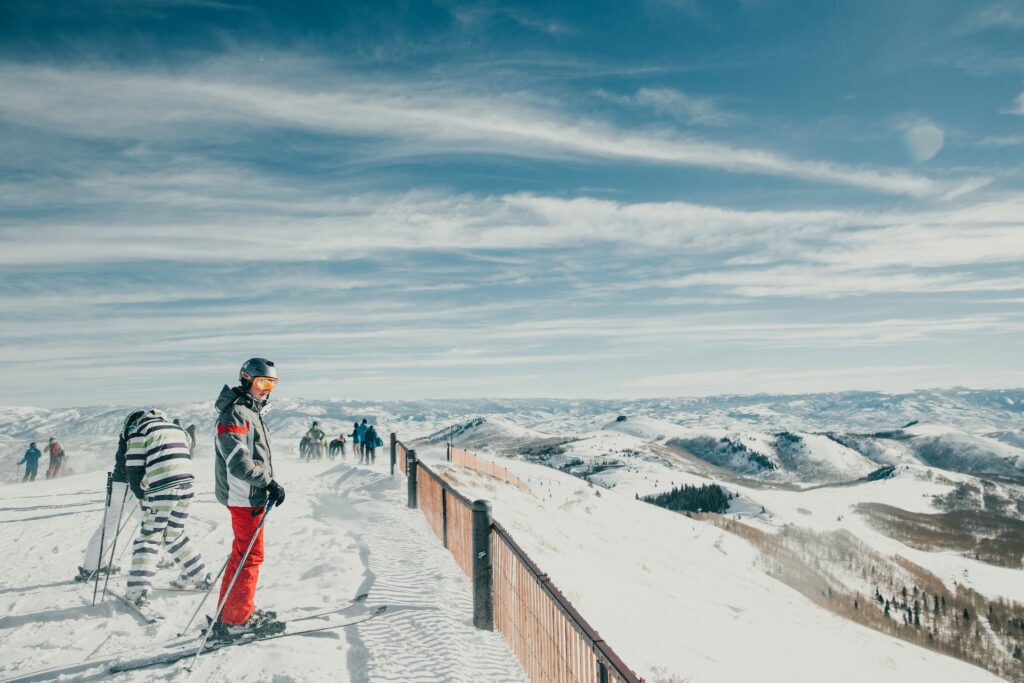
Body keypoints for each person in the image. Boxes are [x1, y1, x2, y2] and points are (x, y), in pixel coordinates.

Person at [211, 358, 286, 640]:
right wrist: (269, 483)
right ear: (246, 380)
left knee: (242, 555)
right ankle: (235, 621)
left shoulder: (249, 411)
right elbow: (238, 462)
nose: (267, 390)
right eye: (262, 383)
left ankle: (231, 612)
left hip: (249, 494)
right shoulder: (236, 414)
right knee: (250, 557)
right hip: (244, 496)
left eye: (272, 384)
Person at [125, 409, 210, 606]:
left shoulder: (140, 430)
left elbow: (134, 468)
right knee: (174, 534)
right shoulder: (176, 429)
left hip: (161, 488)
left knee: (150, 536)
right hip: (187, 487)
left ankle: (138, 590)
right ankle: (198, 574)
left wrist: (140, 495)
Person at [76, 415, 139, 581]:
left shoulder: (125, 435)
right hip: (128, 487)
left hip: (115, 485)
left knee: (107, 527)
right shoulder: (136, 436)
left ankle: (91, 565)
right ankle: (157, 559)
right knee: (150, 523)